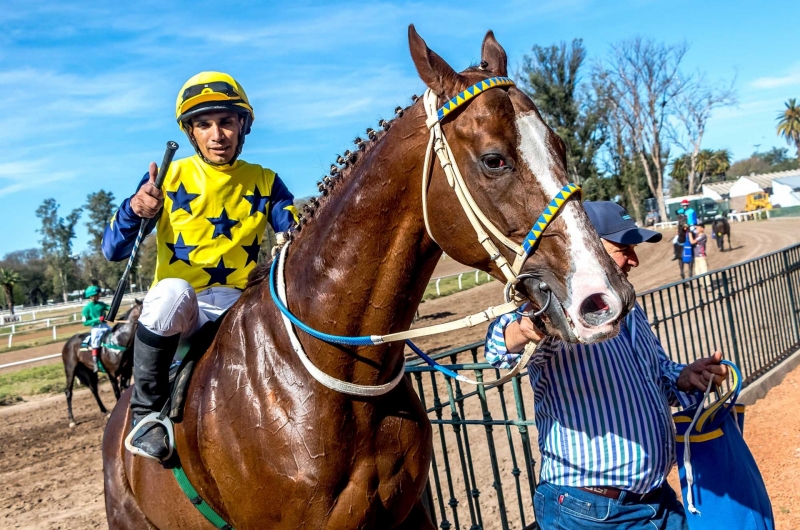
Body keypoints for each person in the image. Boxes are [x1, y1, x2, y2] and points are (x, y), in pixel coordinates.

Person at [484, 201, 729, 530]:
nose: (634, 260)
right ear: (585, 248)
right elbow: (499, 347)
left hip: (656, 499)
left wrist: (684, 377)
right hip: (590, 512)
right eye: (623, 249)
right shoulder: (555, 309)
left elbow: (655, 372)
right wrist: (530, 327)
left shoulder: (628, 304)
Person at [102, 72, 299, 460]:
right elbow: (113, 250)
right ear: (191, 132)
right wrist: (133, 208)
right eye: (204, 124)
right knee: (170, 292)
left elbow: (295, 231)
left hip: (242, 308)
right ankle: (146, 414)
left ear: (242, 125)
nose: (217, 134)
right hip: (183, 309)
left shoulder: (266, 181)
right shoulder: (168, 176)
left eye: (226, 121)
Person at [81, 285, 109, 373]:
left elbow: (111, 309)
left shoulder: (102, 304)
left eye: (98, 294)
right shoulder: (86, 308)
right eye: (97, 295)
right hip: (96, 329)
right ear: (91, 296)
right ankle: (95, 362)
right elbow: (85, 323)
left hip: (105, 326)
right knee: (95, 343)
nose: (99, 296)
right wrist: (97, 319)